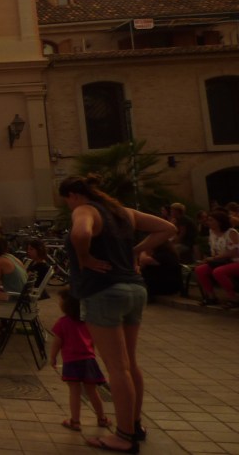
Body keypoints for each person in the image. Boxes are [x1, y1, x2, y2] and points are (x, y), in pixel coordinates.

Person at [59, 174, 176, 453]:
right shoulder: (123, 213)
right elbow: (167, 228)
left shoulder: (84, 210)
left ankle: (123, 436)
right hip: (134, 290)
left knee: (117, 367)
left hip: (104, 291)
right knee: (130, 364)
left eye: (66, 201)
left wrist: (85, 257)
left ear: (73, 196)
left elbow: (80, 233)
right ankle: (133, 425)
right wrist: (133, 251)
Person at [50, 288, 111, 432]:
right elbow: (94, 340)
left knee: (74, 392)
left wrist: (53, 357)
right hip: (88, 360)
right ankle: (101, 418)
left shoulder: (62, 323)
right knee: (92, 391)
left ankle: (75, 421)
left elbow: (57, 342)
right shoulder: (88, 322)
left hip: (71, 361)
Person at [194, 209, 239, 306]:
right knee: (200, 270)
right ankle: (211, 297)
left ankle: (233, 298)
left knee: (218, 271)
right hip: (222, 261)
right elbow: (214, 251)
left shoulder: (231, 232)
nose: (208, 222)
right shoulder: (212, 232)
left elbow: (234, 251)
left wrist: (214, 258)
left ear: (219, 222)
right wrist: (207, 260)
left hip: (235, 261)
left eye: (211, 220)